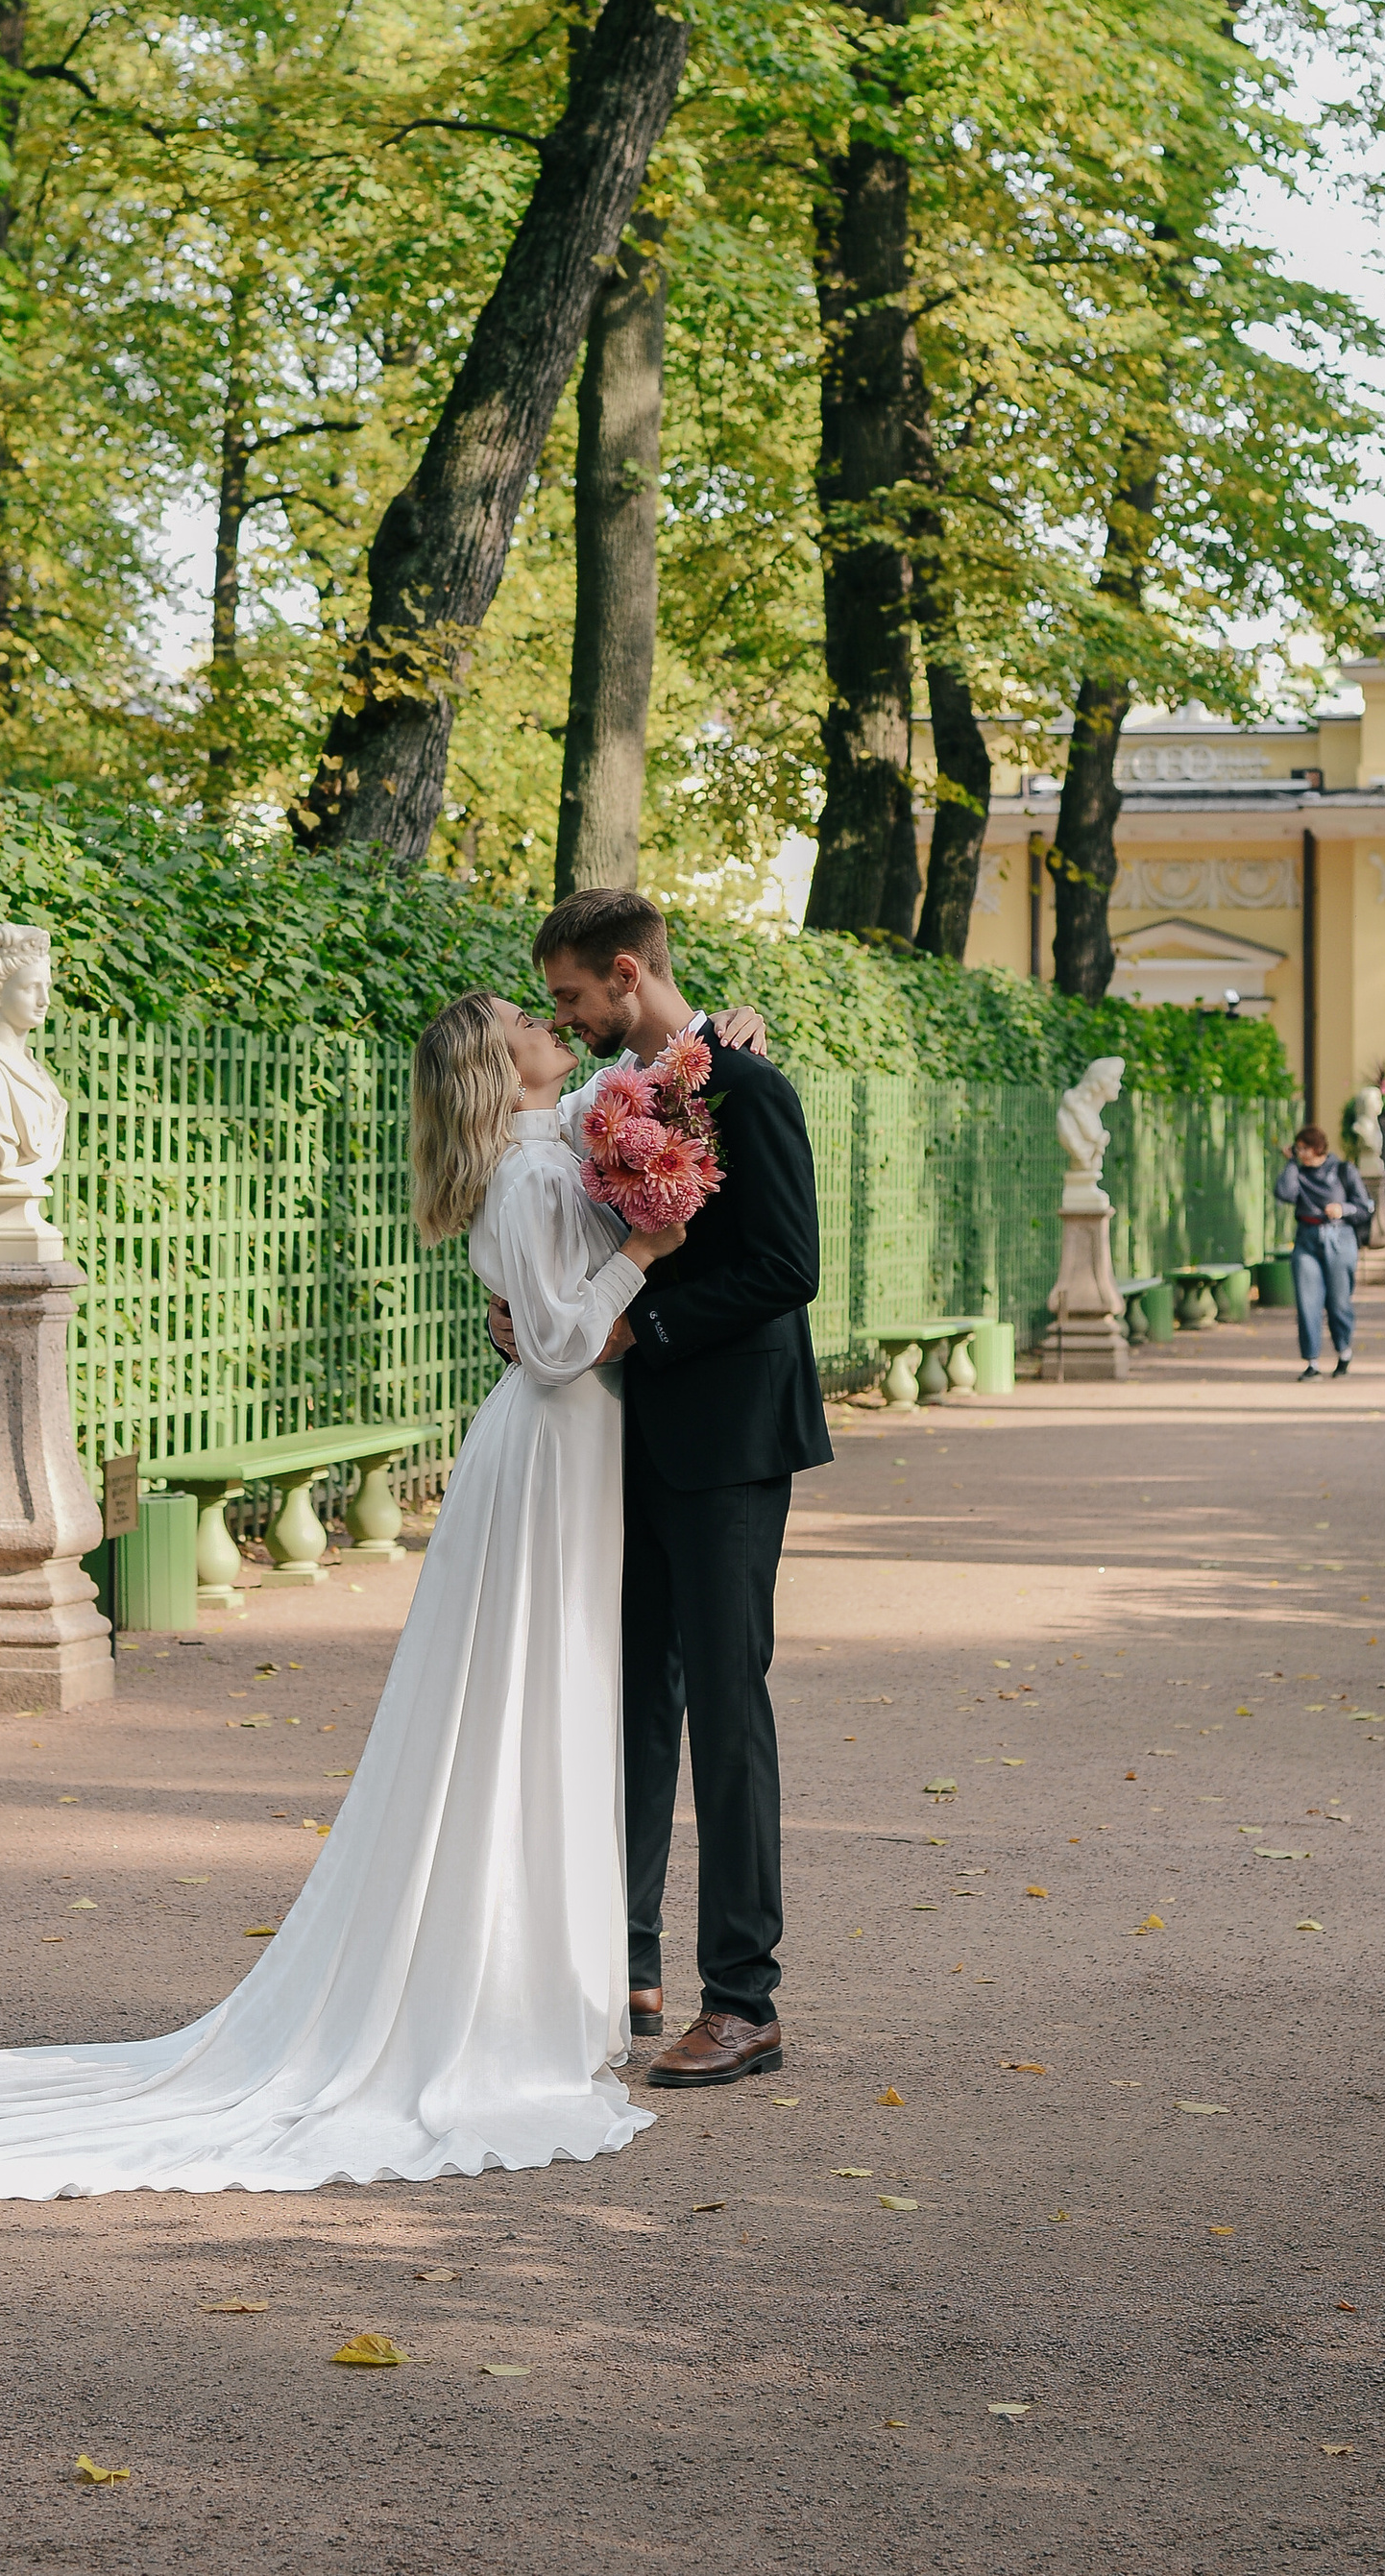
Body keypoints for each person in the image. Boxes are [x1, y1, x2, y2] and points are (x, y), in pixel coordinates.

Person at [0, 986, 683, 2199]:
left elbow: (600, 1161)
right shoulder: (532, 1178)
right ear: (499, 1073)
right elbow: (553, 1342)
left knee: (535, 1707)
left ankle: (532, 1974)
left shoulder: (540, 1154)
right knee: (536, 1706)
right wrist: (645, 1257)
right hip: (554, 1450)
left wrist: (677, 1103)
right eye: (527, 1027)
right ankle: (518, 1995)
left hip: (544, 1454)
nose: (556, 1031)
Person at [525, 887, 829, 2091]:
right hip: (628, 1436)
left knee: (724, 1703)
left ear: (624, 972)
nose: (566, 1017)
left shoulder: (748, 1089)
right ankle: (633, 1962)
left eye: (570, 997)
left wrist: (638, 1330)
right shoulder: (611, 1101)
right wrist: (544, 1314)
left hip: (732, 1438)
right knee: (633, 1703)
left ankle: (745, 1999)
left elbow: (786, 1265)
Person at [1276, 1122, 1374, 1380]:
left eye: (1303, 1149)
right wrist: (1290, 1164)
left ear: (1317, 1148)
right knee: (1307, 1302)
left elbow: (1364, 1207)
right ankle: (1312, 1362)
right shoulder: (1298, 1171)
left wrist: (1344, 1209)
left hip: (1339, 1237)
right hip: (1306, 1238)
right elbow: (1284, 1193)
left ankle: (1343, 1352)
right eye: (1297, 1149)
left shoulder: (1343, 1170)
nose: (1300, 1153)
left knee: (1338, 1302)